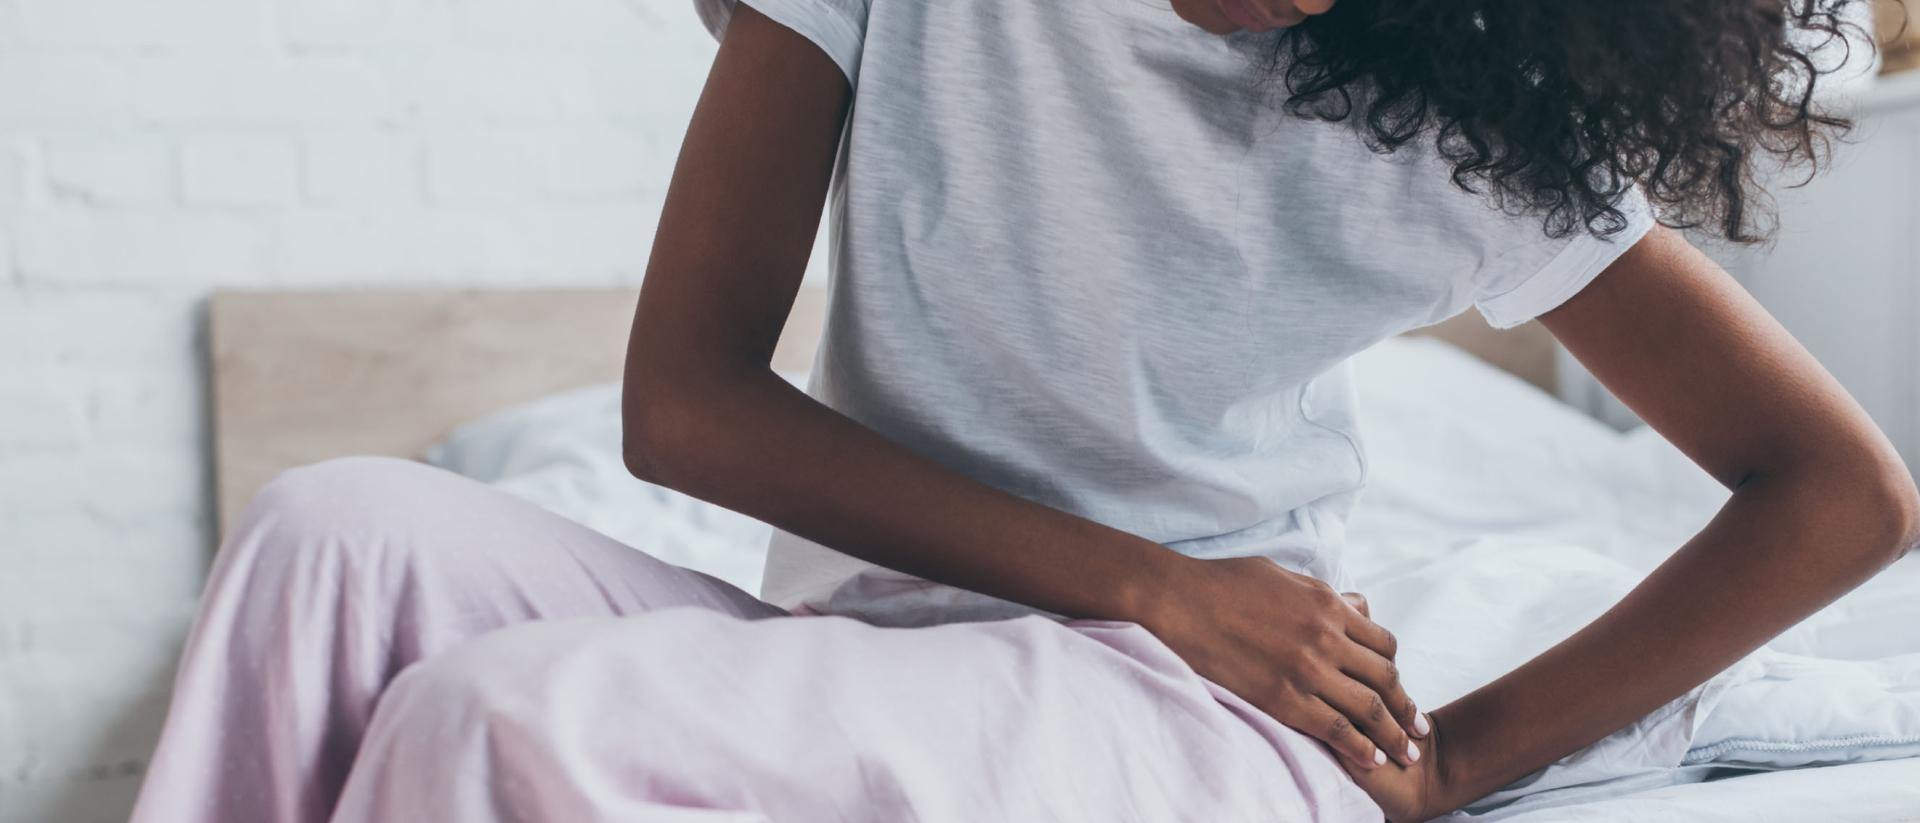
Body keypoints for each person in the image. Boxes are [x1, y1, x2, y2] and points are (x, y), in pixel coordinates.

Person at [131, 1, 1918, 821]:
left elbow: (1839, 491)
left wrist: (1455, 758)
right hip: (928, 629)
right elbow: (683, 406)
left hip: (1198, 713)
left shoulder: (1454, 109)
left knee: (507, 723)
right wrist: (1145, 572)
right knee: (329, 535)